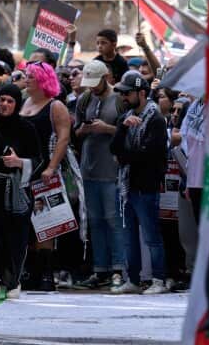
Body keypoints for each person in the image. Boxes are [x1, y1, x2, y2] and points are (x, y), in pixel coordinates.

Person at [0, 83, 43, 301]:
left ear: (17, 104)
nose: (4, 104)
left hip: (16, 189)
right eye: (2, 99)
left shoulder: (27, 128)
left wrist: (18, 162)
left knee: (16, 236)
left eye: (10, 101)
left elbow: (38, 160)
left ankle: (13, 281)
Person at [110, 71, 171, 294]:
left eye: (128, 93)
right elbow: (114, 149)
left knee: (151, 236)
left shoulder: (155, 119)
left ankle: (158, 280)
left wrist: (126, 155)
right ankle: (133, 280)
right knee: (129, 237)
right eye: (122, 93)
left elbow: (149, 154)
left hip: (146, 186)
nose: (124, 97)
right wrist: (124, 128)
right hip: (126, 187)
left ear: (142, 93)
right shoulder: (125, 117)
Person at [19, 61, 75, 291]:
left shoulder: (56, 106)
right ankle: (30, 271)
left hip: (45, 170)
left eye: (30, 76)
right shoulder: (25, 103)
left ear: (42, 80)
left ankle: (46, 274)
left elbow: (64, 138)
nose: (26, 79)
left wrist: (51, 167)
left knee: (46, 222)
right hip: (24, 169)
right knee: (27, 222)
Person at [73, 59, 125, 290]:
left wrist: (107, 129)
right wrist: (83, 130)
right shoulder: (84, 99)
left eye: (96, 83)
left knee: (113, 221)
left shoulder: (119, 99)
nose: (93, 88)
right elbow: (75, 132)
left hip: (111, 171)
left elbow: (129, 132)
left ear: (106, 78)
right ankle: (100, 269)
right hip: (89, 169)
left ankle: (118, 268)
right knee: (94, 221)